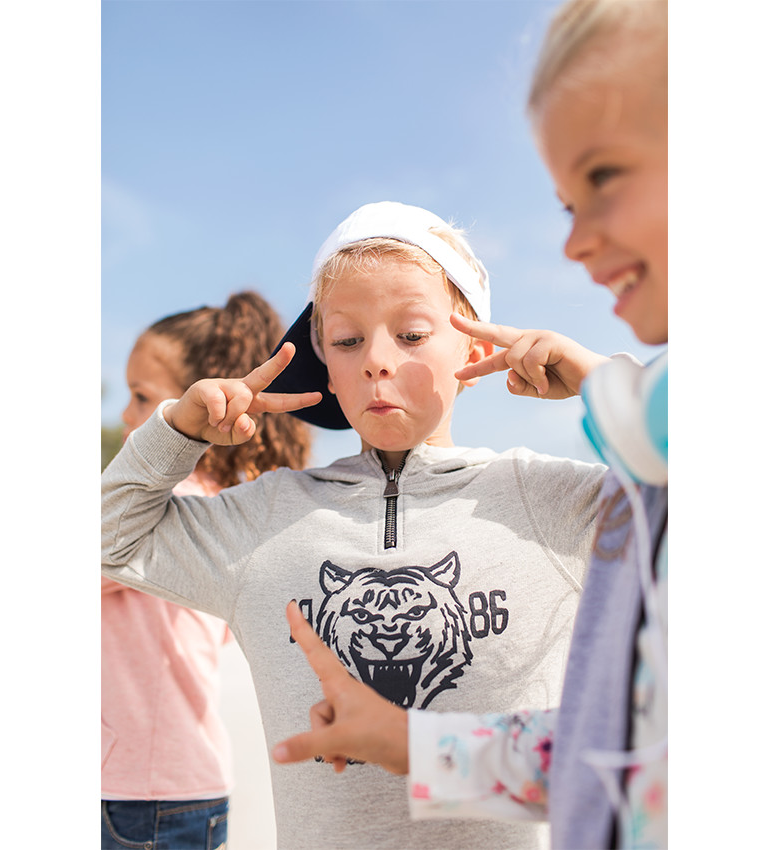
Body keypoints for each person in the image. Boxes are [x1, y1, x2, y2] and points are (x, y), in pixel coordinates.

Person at [271, 1, 668, 848]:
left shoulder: (575, 489)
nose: (572, 245)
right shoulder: (646, 455)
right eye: (562, 204)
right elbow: (617, 750)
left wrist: (610, 393)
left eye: (603, 177)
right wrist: (407, 744)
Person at [102, 199, 613, 849]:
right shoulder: (264, 518)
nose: (376, 359)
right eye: (347, 340)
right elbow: (107, 541)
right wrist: (172, 434)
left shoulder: (552, 500)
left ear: (480, 349)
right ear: (326, 360)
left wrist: (607, 389)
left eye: (412, 333)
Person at [101, 291, 312, 850]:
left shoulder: (172, 505)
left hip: (143, 798)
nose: (127, 415)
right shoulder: (214, 500)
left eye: (142, 397)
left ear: (196, 401)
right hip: (160, 788)